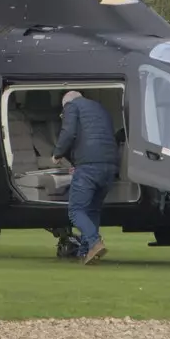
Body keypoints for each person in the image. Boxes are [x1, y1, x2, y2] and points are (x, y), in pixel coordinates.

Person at [51, 90, 118, 264]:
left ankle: (95, 242)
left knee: (76, 211)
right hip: (110, 167)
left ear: (66, 103)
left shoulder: (72, 106)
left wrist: (58, 154)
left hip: (89, 167)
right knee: (92, 210)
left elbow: (69, 132)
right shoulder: (101, 109)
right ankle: (85, 252)